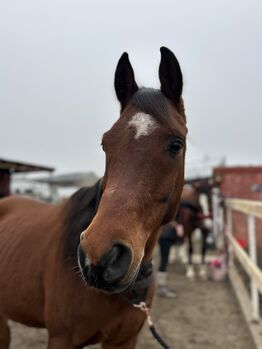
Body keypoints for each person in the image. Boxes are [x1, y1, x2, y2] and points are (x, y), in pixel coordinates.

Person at [157, 220, 184, 298]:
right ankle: (161, 288)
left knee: (164, 262)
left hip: (167, 238)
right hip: (166, 238)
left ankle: (163, 285)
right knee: (163, 262)